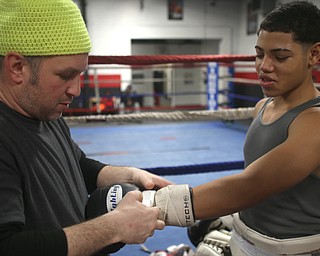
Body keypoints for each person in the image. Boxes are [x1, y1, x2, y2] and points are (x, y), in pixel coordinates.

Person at [0, 0, 172, 255]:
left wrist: (129, 175)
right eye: (65, 75)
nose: (76, 90)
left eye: (80, 74)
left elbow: (74, 164)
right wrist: (112, 228)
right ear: (17, 67)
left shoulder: (45, 113)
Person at [148, 1, 320, 255]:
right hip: (245, 238)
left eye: (280, 56)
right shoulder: (263, 106)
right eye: (260, 54)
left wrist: (153, 205)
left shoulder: (314, 122)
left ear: (314, 55)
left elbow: (251, 184)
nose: (265, 66)